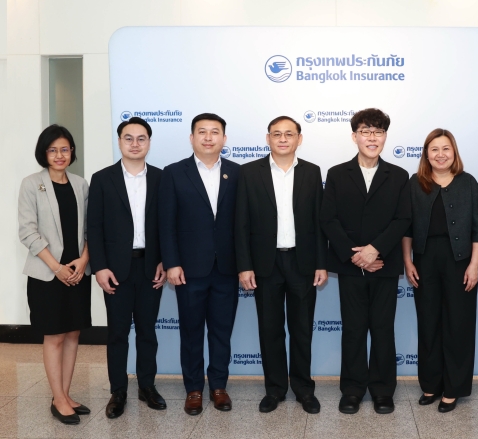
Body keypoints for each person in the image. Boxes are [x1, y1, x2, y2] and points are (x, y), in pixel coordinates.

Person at [320, 108, 411, 415]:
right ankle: (353, 389)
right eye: (366, 131)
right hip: (350, 266)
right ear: (354, 136)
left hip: (385, 265)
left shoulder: (398, 175)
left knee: (383, 329)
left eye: (378, 132)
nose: (372, 138)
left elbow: (403, 219)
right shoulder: (337, 174)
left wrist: (374, 250)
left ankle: (383, 390)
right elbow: (328, 219)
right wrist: (356, 256)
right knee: (354, 329)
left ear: (385, 137)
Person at [236, 116, 327, 414]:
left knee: (302, 329)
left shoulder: (312, 172)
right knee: (270, 329)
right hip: (265, 263)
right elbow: (241, 223)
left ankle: (304, 389)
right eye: (277, 134)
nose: (283, 139)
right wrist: (244, 265)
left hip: (303, 262)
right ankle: (274, 389)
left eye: (289, 134)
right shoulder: (249, 172)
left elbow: (319, 221)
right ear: (268, 139)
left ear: (299, 139)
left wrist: (321, 263)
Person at [402, 129, 478, 412]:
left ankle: (453, 388)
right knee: (429, 324)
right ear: (426, 154)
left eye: (446, 149)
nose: (441, 154)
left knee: (458, 324)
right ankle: (431, 385)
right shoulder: (415, 183)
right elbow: (406, 227)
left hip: (460, 261)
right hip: (424, 261)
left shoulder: (468, 182)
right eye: (434, 149)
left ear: (454, 152)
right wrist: (407, 261)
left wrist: (474, 265)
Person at [159, 113, 240, 415]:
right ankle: (193, 388)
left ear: (224, 139)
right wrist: (171, 263)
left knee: (221, 331)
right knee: (191, 332)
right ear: (191, 138)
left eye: (215, 132)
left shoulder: (237, 172)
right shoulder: (174, 173)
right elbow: (166, 223)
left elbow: (243, 223)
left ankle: (218, 386)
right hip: (188, 269)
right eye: (202, 132)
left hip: (227, 268)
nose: (208, 137)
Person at [88, 117, 167, 419]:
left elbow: (168, 225)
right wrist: (99, 267)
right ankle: (118, 391)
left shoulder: (161, 178)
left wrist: (166, 261)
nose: (135, 144)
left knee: (147, 331)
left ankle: (147, 386)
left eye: (141, 138)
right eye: (128, 138)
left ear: (149, 142)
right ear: (119, 141)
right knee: (118, 333)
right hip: (115, 270)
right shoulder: (102, 179)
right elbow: (94, 227)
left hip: (150, 266)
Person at [18, 124, 92, 425]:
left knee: (73, 333)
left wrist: (84, 260)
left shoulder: (80, 184)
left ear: (72, 151)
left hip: (77, 273)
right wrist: (57, 267)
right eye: (53, 150)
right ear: (44, 153)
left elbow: (89, 229)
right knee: (55, 336)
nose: (59, 155)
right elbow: (27, 232)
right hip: (48, 275)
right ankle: (58, 399)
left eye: (64, 149)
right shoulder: (31, 184)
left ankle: (65, 394)